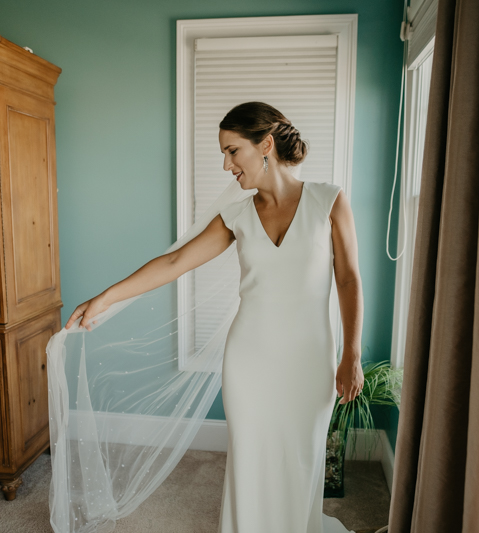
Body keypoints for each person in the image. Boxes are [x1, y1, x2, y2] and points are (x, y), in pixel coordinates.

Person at [64, 102, 364, 533]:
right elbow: (175, 262)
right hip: (250, 358)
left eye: (231, 151)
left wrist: (350, 355)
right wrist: (105, 298)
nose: (226, 165)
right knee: (249, 457)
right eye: (223, 155)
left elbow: (350, 280)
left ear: (265, 145)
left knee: (301, 457)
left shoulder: (329, 200)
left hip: (310, 358)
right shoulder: (236, 215)